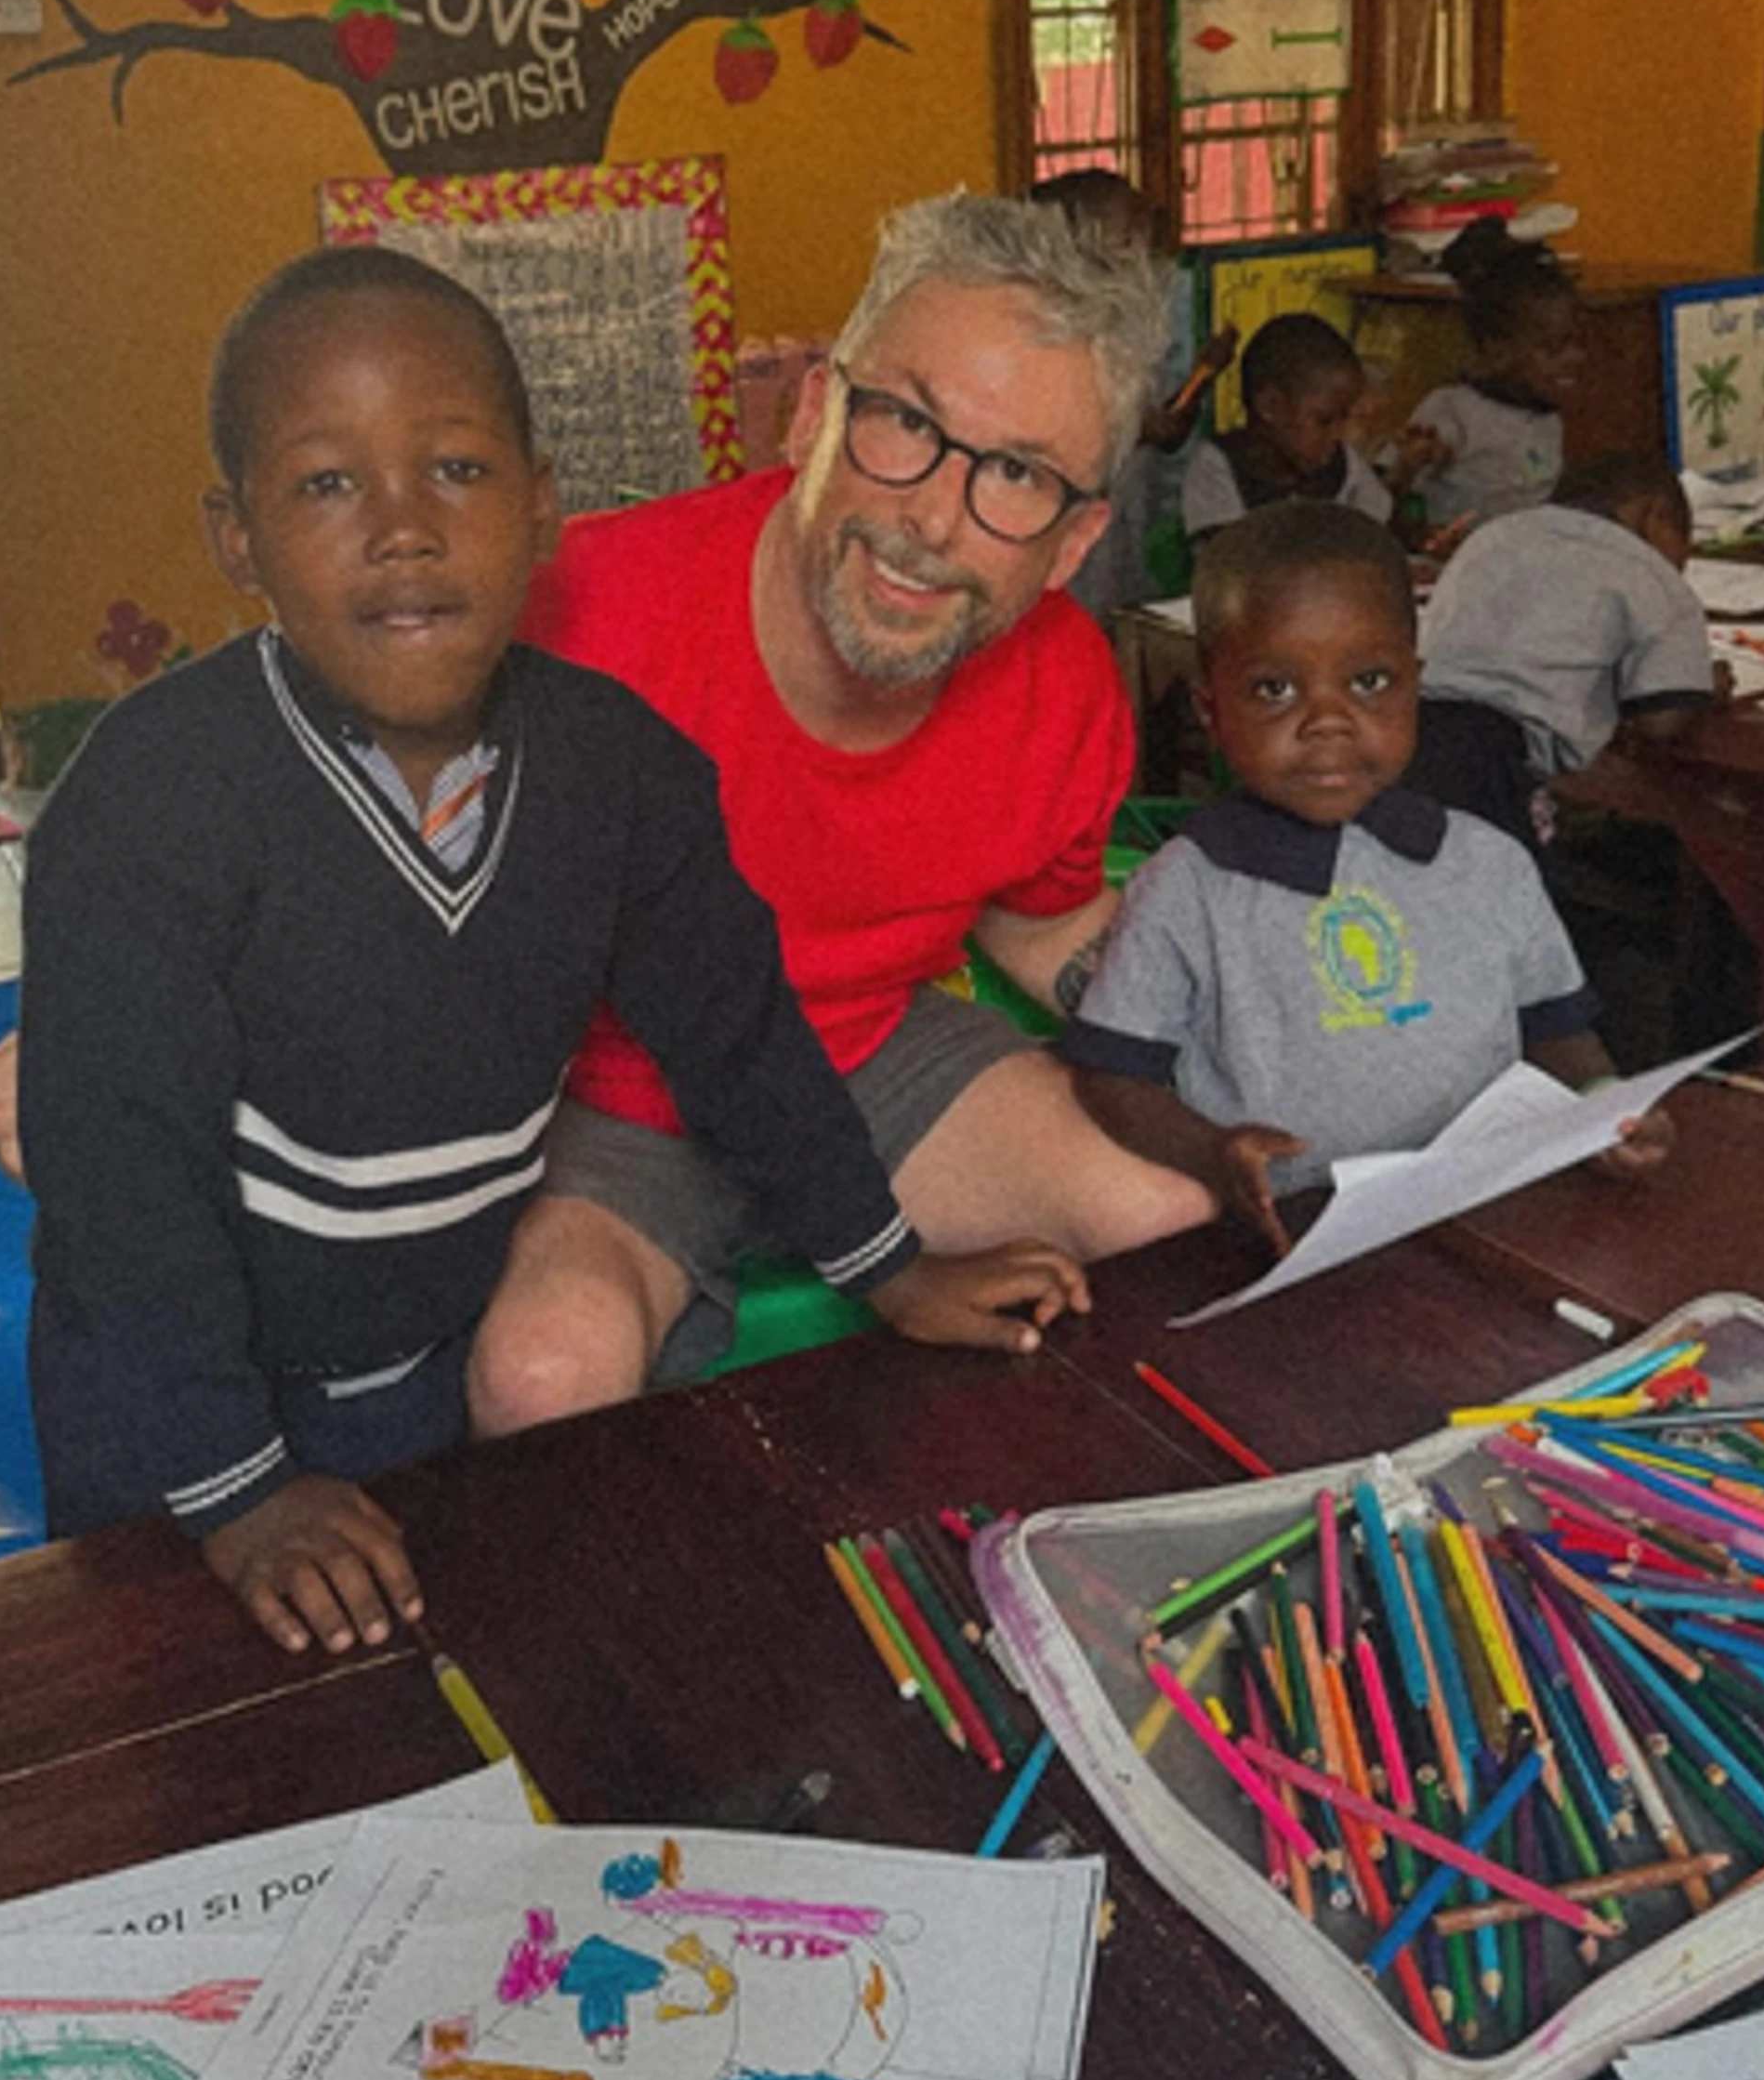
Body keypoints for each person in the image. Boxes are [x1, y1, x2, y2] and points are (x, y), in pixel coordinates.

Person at [20, 248, 1086, 1660]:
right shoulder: (151, 799)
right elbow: (121, 1186)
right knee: (196, 1739)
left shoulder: (616, 769)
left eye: (456, 469)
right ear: (239, 541)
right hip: (169, 1425)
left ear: (541, 510)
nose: (401, 528)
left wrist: (887, 1265)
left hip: (412, 1367)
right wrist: (235, 1491)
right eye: (328, 483)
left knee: (428, 1692)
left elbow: (740, 1036)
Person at [477, 191, 1221, 1418]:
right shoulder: (574, 608)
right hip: (619, 1094)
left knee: (1172, 1212)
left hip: (878, 1053)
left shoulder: (1065, 682)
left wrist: (1268, 1022)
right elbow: (310, 806)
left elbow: (1042, 924)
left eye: (1020, 477)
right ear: (815, 411)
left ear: (1078, 538)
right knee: (543, 1371)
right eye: (905, 423)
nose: (933, 518)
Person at [1058, 504, 1671, 1253]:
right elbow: (1112, 1075)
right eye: (1275, 690)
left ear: (1418, 687)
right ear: (1210, 712)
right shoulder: (1187, 887)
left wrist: (1605, 1107)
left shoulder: (1487, 864)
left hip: (1486, 1221)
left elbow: (1559, 1033)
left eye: (1369, 681)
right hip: (1292, 1242)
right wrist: (1211, 1157)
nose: (1328, 721)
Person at [1407, 453, 1718, 849]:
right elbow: (1662, 722)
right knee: (1504, 890)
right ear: (1656, 517)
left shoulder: (1492, 536)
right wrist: (1702, 687)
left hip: (1407, 737)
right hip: (1497, 768)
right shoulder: (1653, 575)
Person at [1031, 166, 1231, 618]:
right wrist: (1144, 427)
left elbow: (1164, 432)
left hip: (1121, 525)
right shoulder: (1044, 327)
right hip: (1060, 526)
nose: (1142, 259)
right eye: (1126, 244)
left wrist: (1200, 380)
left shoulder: (1127, 328)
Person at [1393, 217, 1586, 536]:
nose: (1576, 358)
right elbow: (1400, 485)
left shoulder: (1546, 416)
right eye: (1553, 349)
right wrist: (1418, 458)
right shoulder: (1455, 410)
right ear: (1497, 351)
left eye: (1578, 343)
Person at [1180, 309, 1392, 541]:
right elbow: (1229, 565)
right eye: (1324, 421)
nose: (1338, 434)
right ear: (1270, 406)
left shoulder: (1342, 464)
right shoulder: (1218, 467)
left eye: (1344, 418)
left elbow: (1380, 528)